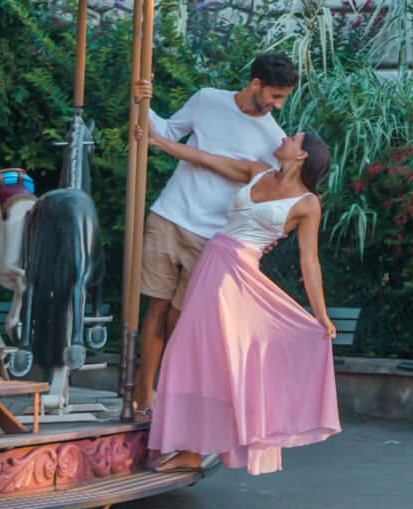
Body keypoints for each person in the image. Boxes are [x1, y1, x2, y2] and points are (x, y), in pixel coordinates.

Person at [141, 125, 340, 477]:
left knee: (210, 359)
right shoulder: (257, 171)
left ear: (303, 154)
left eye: (292, 138)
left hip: (241, 276)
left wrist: (321, 315)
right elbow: (205, 158)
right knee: (188, 355)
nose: (284, 139)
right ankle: (188, 447)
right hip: (212, 264)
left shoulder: (308, 204)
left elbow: (310, 262)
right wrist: (159, 142)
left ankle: (193, 448)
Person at [130, 53, 296, 415]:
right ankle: (144, 397)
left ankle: (172, 397)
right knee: (155, 306)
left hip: (212, 236)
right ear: (255, 84)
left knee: (182, 320)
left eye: (283, 98)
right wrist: (141, 98)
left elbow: (248, 183)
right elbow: (166, 131)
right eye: (275, 96)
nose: (278, 105)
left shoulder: (275, 139)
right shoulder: (207, 99)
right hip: (169, 215)